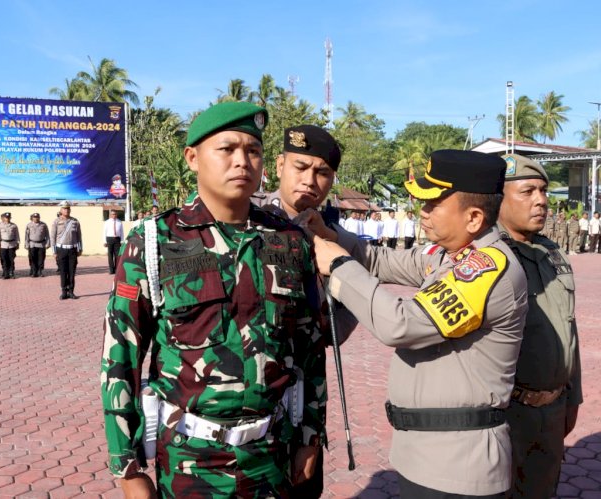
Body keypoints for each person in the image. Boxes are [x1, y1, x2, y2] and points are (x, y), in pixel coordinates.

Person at [100, 102, 326, 498]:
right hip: (191, 461)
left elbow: (310, 350)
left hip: (272, 455)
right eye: (227, 149)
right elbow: (120, 360)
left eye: (252, 151)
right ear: (192, 158)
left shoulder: (289, 241)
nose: (242, 161)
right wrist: (128, 467)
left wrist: (310, 434)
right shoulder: (152, 242)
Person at [306, 149, 528, 497]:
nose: (422, 212)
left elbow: (402, 325)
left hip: (457, 465)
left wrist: (338, 267)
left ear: (472, 217)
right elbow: (381, 260)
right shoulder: (449, 254)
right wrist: (333, 237)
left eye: (433, 204)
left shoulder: (486, 268)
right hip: (428, 455)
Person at [252, 123, 356, 498]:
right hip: (249, 404)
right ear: (279, 165)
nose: (310, 180)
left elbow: (338, 326)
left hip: (303, 404)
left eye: (322, 172)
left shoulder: (334, 235)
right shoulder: (248, 226)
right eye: (300, 167)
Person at [497, 154, 582, 498]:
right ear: (498, 199)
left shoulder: (553, 254)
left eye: (544, 191)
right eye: (528, 191)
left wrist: (572, 397)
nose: (541, 200)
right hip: (507, 414)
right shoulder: (489, 256)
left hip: (552, 410)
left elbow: (569, 332)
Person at [51, 201, 82, 300]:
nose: (66, 210)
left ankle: (71, 291)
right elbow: (52, 237)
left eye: (68, 208)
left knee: (72, 272)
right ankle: (64, 291)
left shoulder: (75, 221)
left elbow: (79, 236)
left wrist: (80, 248)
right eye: (64, 208)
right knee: (63, 272)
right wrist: (54, 251)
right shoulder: (56, 221)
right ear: (61, 210)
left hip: (72, 250)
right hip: (61, 250)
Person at [0, 212, 20, 279]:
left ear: (10, 218)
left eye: (8, 218)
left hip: (12, 245)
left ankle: (11, 272)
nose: (7, 219)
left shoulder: (14, 226)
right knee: (4, 259)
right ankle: (6, 273)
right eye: (6, 218)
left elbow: (17, 235)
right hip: (3, 245)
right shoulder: (0, 225)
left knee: (11, 259)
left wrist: (17, 243)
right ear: (4, 218)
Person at [25, 213, 50, 277]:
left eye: (37, 217)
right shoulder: (29, 225)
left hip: (41, 244)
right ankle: (34, 271)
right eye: (34, 217)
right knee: (32, 258)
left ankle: (40, 271)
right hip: (32, 244)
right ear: (32, 218)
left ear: (39, 218)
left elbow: (47, 235)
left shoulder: (43, 225)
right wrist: (27, 244)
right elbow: (26, 236)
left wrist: (48, 243)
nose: (36, 218)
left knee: (41, 258)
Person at [103, 210, 124, 274]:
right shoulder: (107, 222)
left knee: (117, 255)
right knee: (110, 255)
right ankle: (111, 270)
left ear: (116, 215)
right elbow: (104, 232)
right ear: (110, 215)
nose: (114, 215)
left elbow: (121, 232)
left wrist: (122, 240)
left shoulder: (119, 222)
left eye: (115, 214)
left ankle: (117, 269)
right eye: (112, 214)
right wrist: (104, 241)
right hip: (109, 239)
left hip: (117, 239)